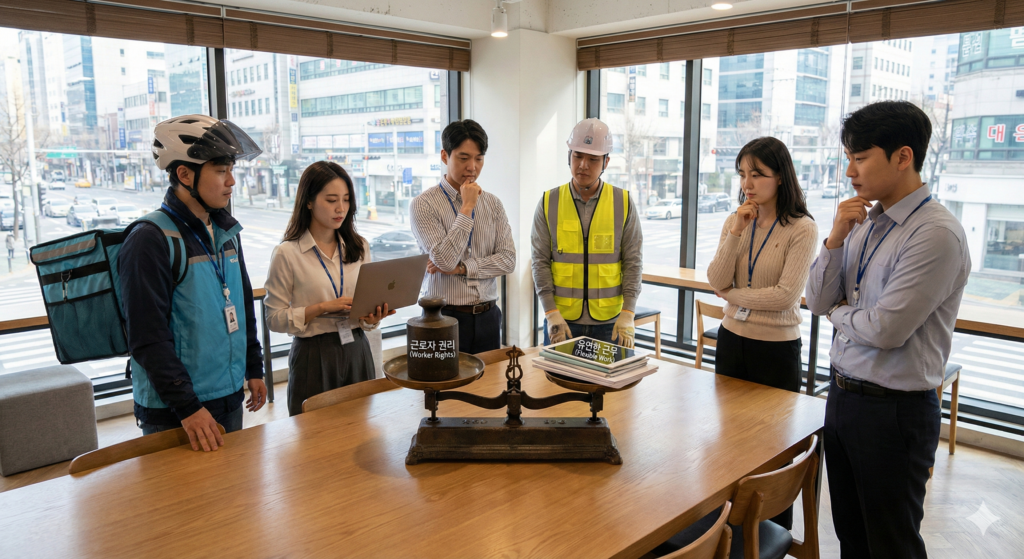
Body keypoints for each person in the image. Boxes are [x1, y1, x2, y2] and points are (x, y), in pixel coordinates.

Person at [805, 101, 970, 559]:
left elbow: (885, 330)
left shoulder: (935, 233)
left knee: (891, 544)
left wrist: (838, 313)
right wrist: (835, 238)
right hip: (843, 397)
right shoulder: (862, 222)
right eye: (848, 158)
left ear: (903, 157)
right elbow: (816, 301)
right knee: (852, 536)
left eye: (860, 158)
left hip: (894, 412)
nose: (849, 171)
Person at [119, 114, 267, 452]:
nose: (231, 181)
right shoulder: (150, 239)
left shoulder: (227, 232)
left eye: (232, 169)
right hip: (177, 411)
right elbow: (147, 337)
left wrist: (253, 367)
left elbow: (242, 304)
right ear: (185, 175)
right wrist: (188, 407)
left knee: (231, 483)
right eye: (221, 170)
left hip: (228, 394)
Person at [264, 161, 394, 416]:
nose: (341, 208)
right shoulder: (287, 253)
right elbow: (273, 319)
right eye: (332, 200)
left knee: (362, 426)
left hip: (357, 348)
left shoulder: (359, 247)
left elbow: (365, 312)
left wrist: (371, 319)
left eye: (346, 199)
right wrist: (321, 308)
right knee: (313, 432)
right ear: (308, 201)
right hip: (313, 354)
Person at [706, 137, 817, 392]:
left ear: (780, 177)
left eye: (757, 175)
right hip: (730, 338)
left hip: (776, 347)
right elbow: (717, 280)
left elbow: (785, 297)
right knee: (727, 416)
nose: (747, 184)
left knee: (775, 419)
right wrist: (736, 231)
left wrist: (731, 295)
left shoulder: (803, 228)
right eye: (742, 175)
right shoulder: (735, 221)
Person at [531, 118, 643, 347]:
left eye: (593, 159)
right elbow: (539, 262)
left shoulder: (622, 202)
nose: (583, 165)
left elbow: (633, 262)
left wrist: (628, 312)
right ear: (569, 156)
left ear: (606, 162)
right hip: (561, 321)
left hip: (609, 324)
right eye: (577, 156)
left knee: (609, 373)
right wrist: (550, 312)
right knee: (556, 372)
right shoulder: (549, 202)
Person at [410, 119, 515, 354]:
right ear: (444, 156)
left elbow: (508, 260)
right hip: (443, 316)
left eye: (479, 159)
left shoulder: (493, 204)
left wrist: (462, 268)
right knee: (442, 378)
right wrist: (466, 208)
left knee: (490, 378)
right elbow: (444, 260)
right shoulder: (423, 204)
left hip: (488, 315)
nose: (472, 167)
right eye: (463, 158)